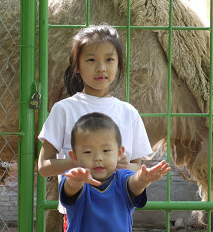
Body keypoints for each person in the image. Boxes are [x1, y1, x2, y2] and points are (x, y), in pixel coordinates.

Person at [38, 24, 153, 218]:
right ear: (77, 66)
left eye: (109, 60)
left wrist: (125, 167)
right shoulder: (64, 109)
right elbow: (44, 166)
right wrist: (77, 164)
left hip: (119, 213)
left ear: (118, 64)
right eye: (91, 60)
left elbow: (137, 167)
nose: (101, 68)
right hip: (77, 214)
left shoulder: (129, 113)